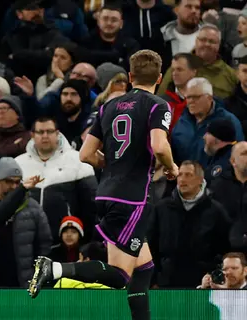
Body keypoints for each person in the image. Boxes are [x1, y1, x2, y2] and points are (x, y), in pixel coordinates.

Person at [27, 50, 178, 320]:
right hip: (133, 199)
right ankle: (56, 269)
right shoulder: (158, 105)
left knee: (144, 267)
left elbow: (85, 155)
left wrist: (112, 166)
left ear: (130, 77)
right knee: (120, 275)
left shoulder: (109, 106)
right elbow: (159, 145)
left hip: (106, 193)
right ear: (158, 77)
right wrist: (171, 167)